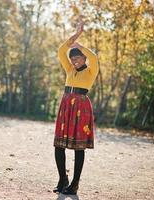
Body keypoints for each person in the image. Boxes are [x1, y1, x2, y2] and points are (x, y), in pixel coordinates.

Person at [52, 19, 99, 195]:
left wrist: (81, 45)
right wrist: (75, 35)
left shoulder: (90, 71)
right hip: (66, 107)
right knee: (59, 145)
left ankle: (75, 183)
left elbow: (94, 57)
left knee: (79, 147)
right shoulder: (69, 70)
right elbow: (60, 51)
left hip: (81, 108)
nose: (74, 61)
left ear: (83, 58)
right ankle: (62, 178)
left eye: (77, 58)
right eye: (72, 59)